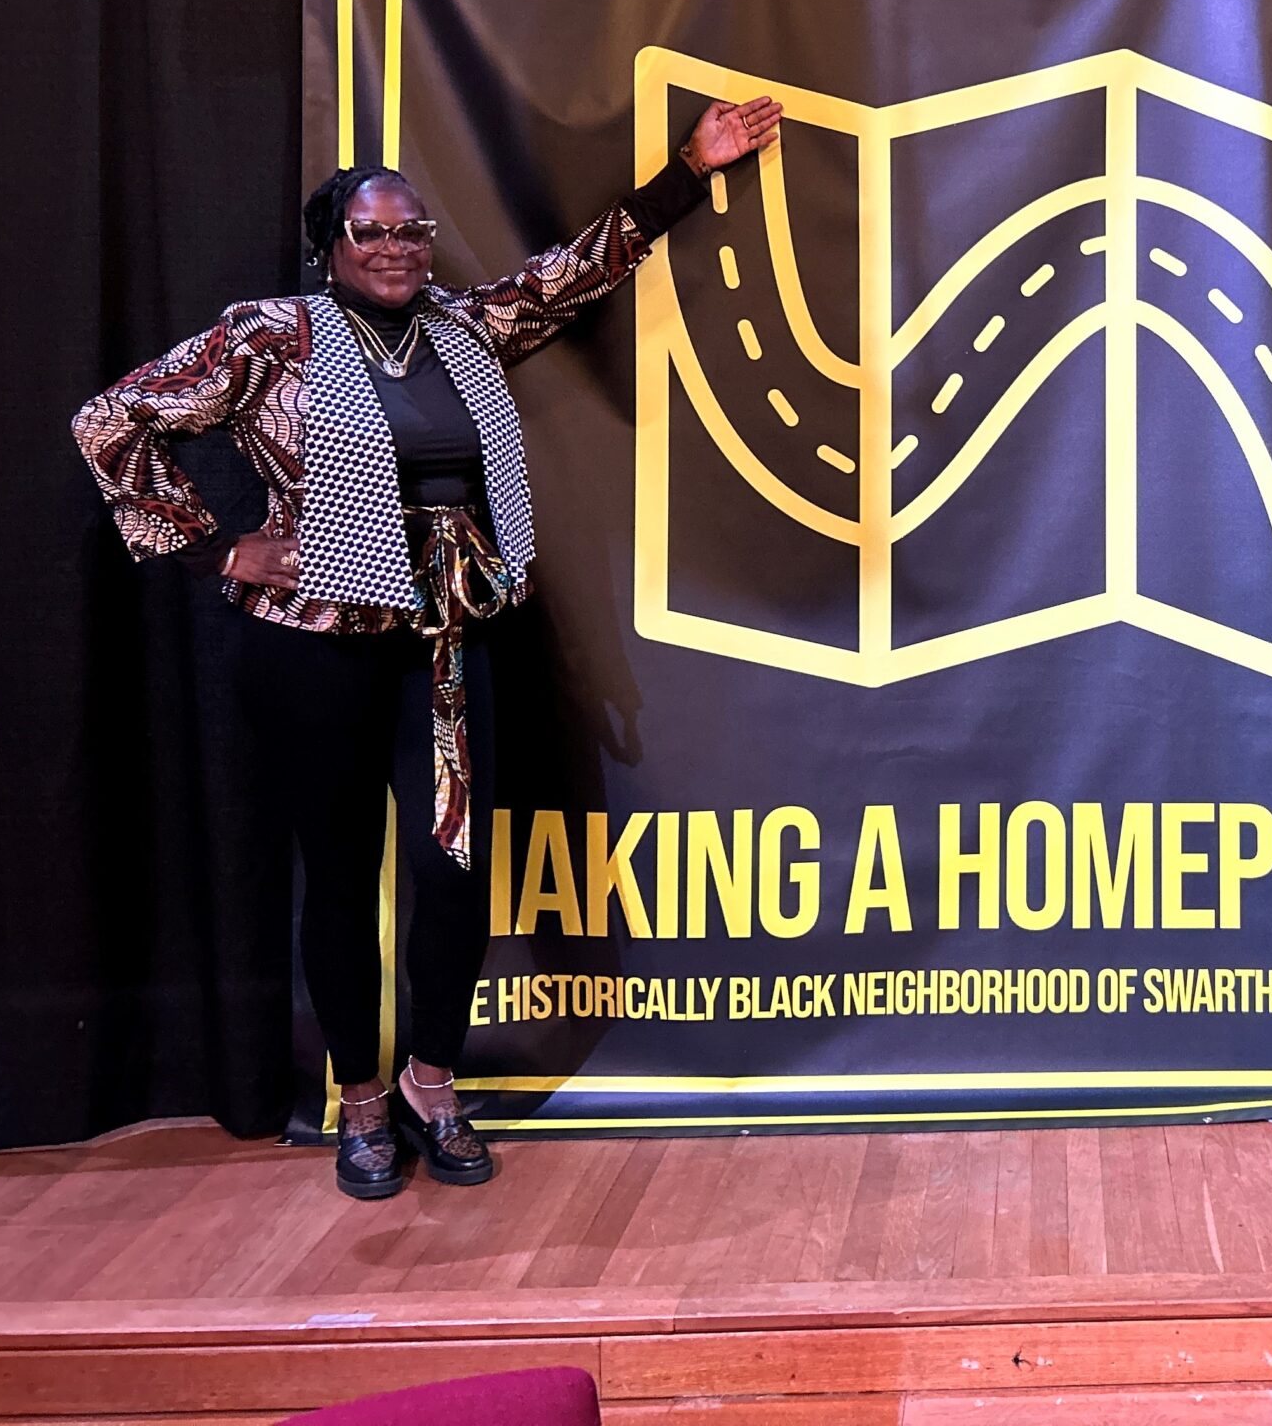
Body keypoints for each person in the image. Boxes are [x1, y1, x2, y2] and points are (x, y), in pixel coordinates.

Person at [74, 95, 782, 1196]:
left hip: (449, 643)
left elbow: (574, 274)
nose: (399, 248)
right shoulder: (274, 335)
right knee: (345, 874)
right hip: (317, 647)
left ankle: (429, 1085)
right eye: (373, 232)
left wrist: (690, 170)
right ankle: (360, 1102)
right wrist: (219, 549)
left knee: (453, 868)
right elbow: (110, 419)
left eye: (413, 230)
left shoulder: (463, 325)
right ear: (330, 247)